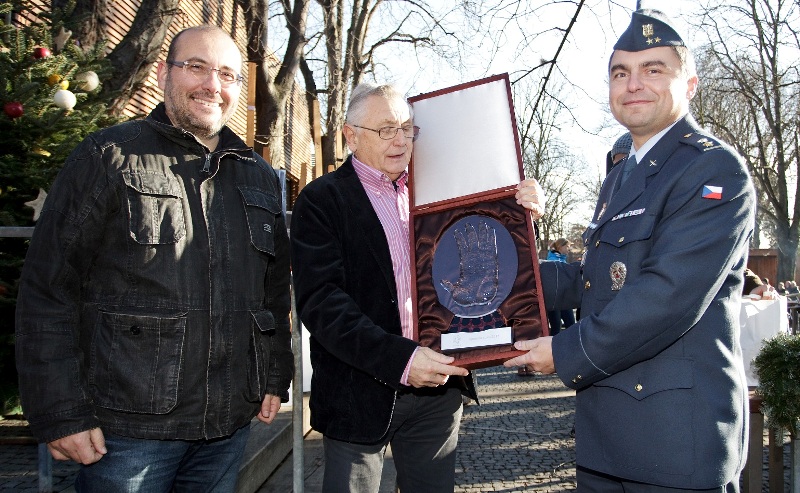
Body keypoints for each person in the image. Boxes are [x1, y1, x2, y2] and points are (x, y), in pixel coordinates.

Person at [15, 25, 293, 492]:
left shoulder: (258, 178)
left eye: (226, 74)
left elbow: (272, 291)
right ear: (165, 73)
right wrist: (61, 412)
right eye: (197, 67)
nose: (212, 84)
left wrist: (273, 376)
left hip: (227, 428)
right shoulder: (107, 157)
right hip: (127, 434)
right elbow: (48, 290)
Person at [507, 9, 754, 492]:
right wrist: (507, 277)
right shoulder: (622, 173)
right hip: (609, 437)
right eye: (621, 73)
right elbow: (599, 279)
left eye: (653, 69)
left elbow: (667, 297)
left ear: (690, 84)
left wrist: (562, 351)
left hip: (674, 441)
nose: (634, 83)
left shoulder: (713, 170)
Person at [290, 82, 476, 493]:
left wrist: (518, 207)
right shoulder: (322, 200)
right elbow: (322, 304)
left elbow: (482, 253)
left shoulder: (436, 193)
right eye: (387, 129)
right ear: (350, 135)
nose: (401, 140)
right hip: (358, 393)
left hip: (438, 394)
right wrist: (403, 360)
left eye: (408, 128)